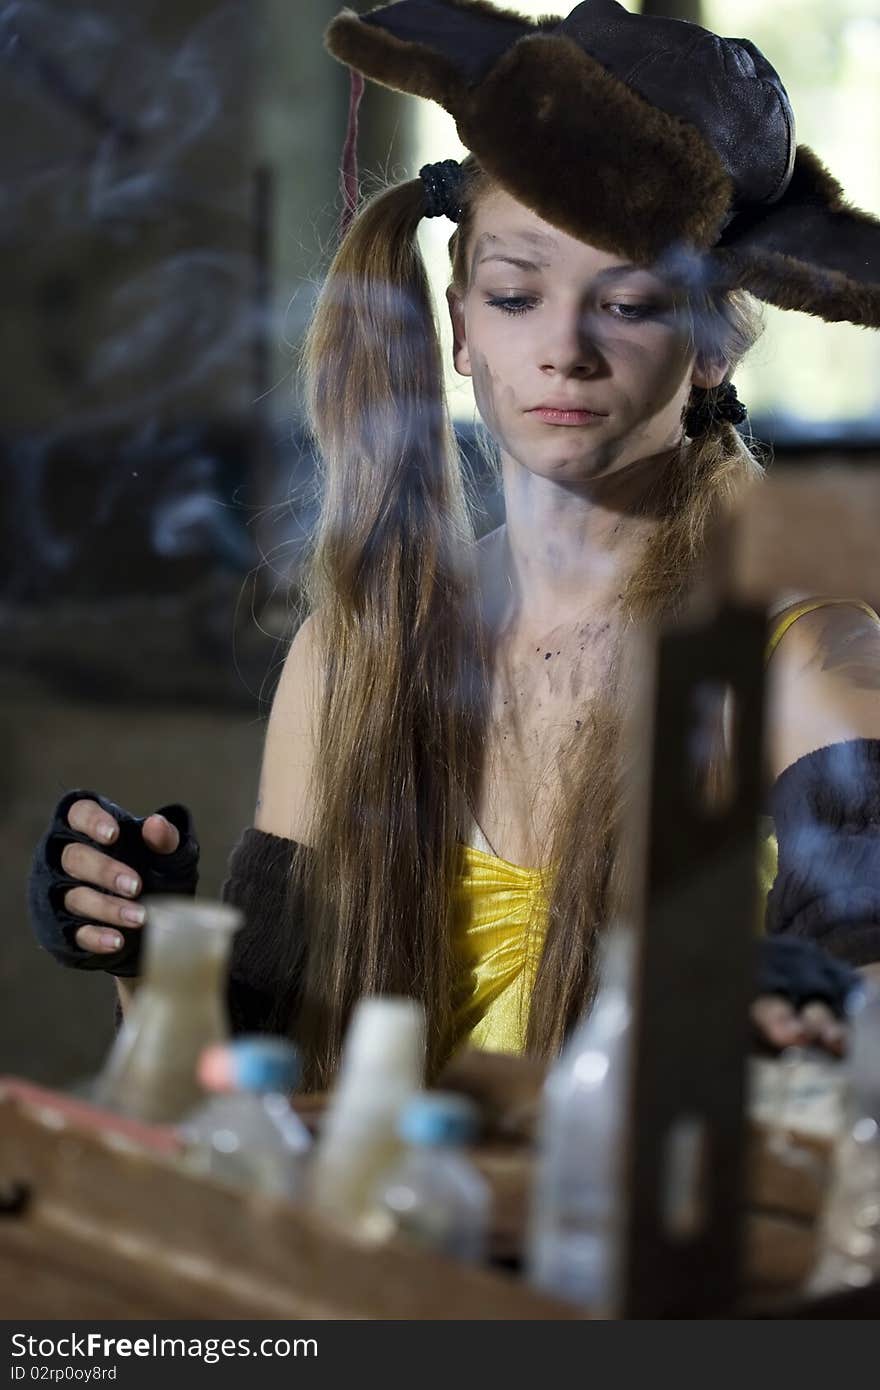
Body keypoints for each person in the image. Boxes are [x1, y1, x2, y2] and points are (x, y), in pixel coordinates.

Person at [27, 0, 880, 1092]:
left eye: (626, 303)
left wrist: (816, 1016)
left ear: (712, 343)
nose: (563, 349)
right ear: (463, 327)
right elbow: (247, 1076)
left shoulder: (807, 669)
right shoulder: (355, 653)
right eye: (518, 295)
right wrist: (148, 947)